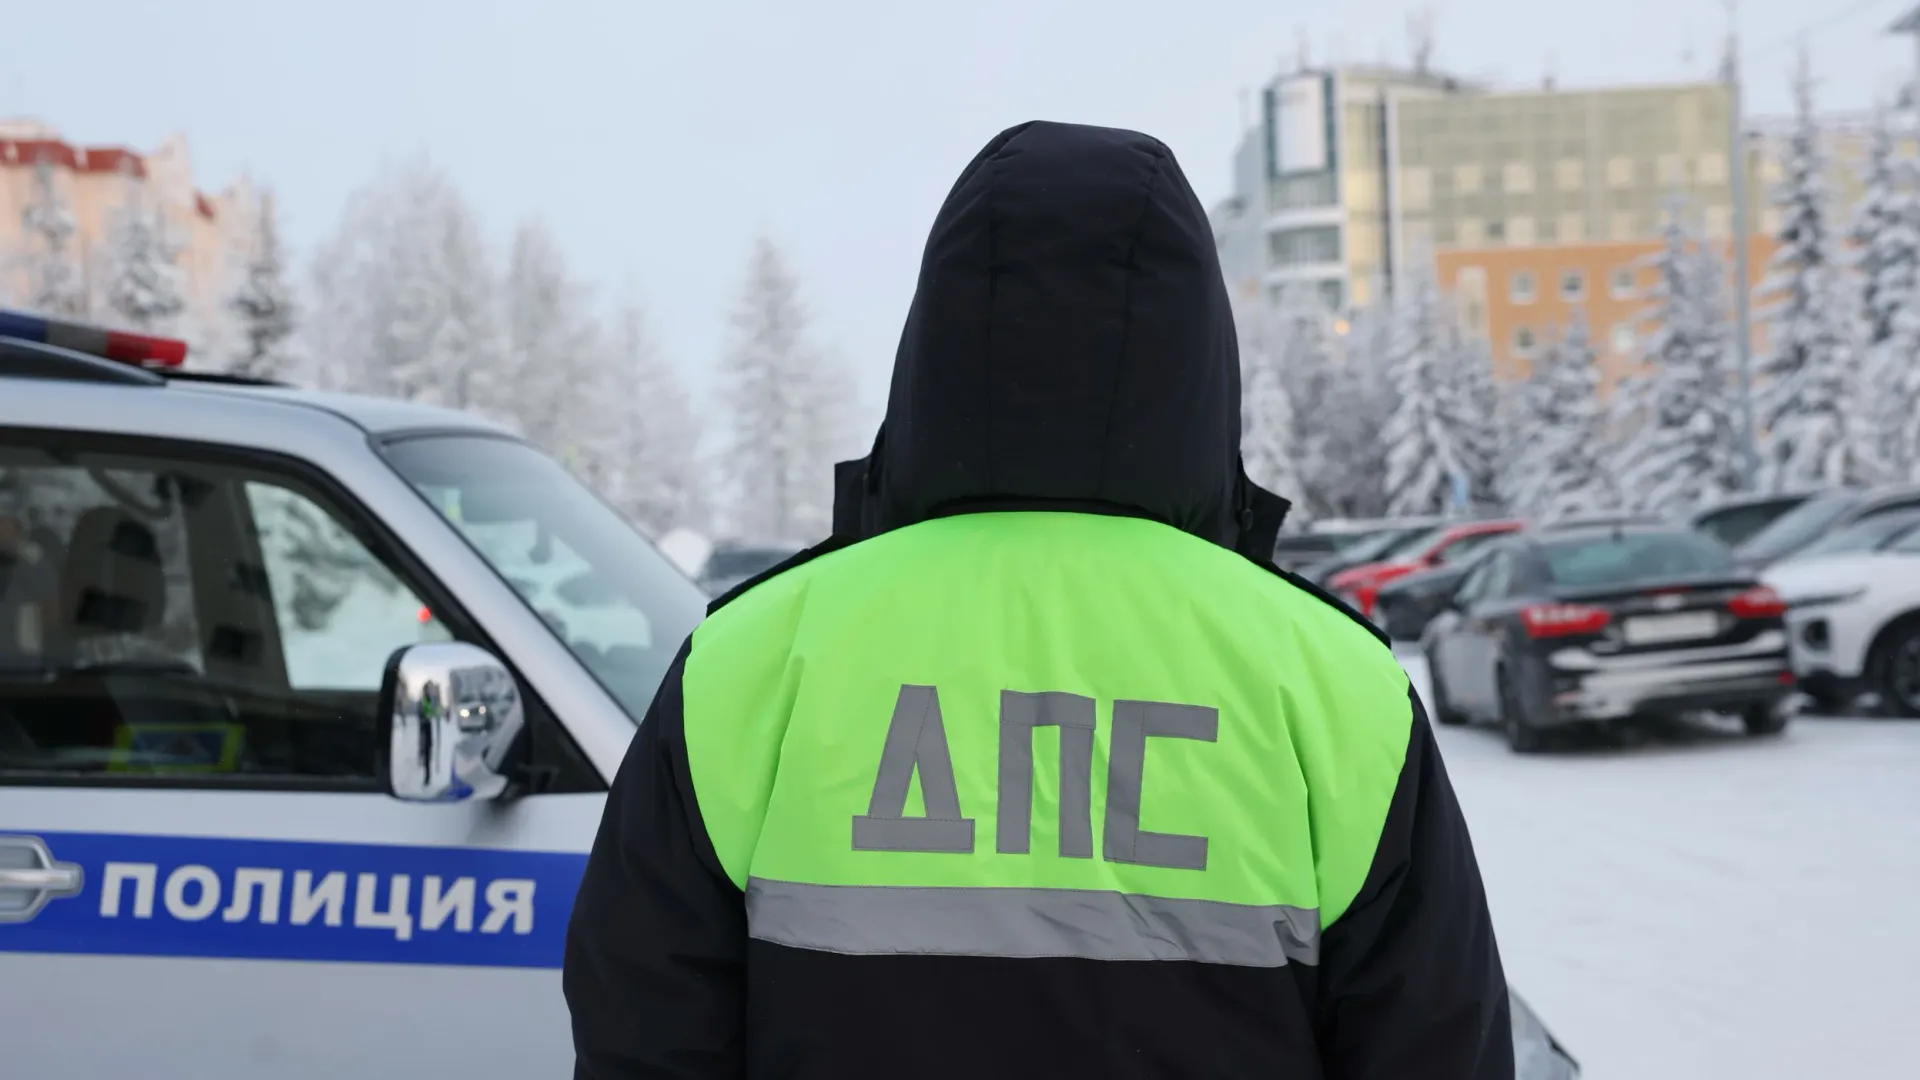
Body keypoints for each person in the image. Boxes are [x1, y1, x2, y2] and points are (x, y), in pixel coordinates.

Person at [565, 120, 1513, 1079]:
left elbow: (644, 1032)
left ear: (936, 339)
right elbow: (1436, 1047)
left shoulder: (751, 660)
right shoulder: (1333, 683)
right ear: (1199, 353)